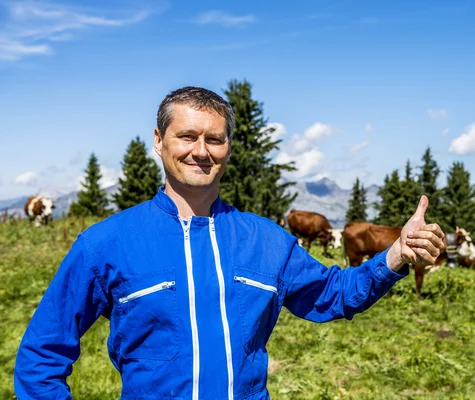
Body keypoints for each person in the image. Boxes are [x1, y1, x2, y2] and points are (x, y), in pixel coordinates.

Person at [14, 87, 445, 400]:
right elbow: (41, 356)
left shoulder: (267, 241)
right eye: (186, 136)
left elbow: (333, 294)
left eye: (214, 139)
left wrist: (394, 255)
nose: (201, 150)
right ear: (159, 142)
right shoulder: (104, 243)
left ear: (228, 149)